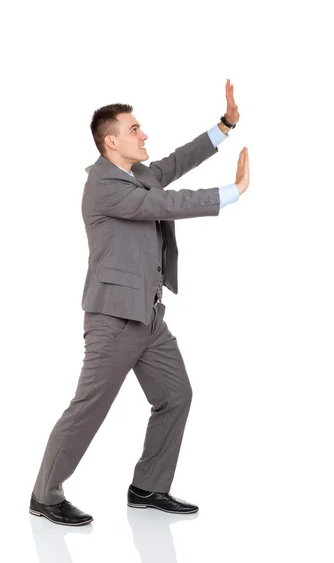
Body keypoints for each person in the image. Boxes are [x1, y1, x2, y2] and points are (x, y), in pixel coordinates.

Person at [29, 79, 250, 526]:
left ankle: (149, 487)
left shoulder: (139, 174)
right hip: (113, 320)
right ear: (111, 141)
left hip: (148, 318)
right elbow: (165, 203)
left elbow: (176, 163)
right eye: (135, 129)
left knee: (175, 395)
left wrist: (224, 126)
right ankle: (44, 494)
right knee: (88, 408)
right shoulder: (104, 187)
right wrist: (233, 191)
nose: (144, 134)